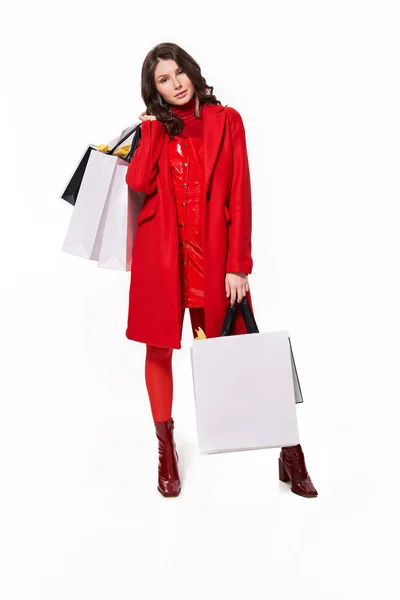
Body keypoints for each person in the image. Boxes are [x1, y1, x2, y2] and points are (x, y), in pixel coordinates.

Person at [125, 42, 318, 499]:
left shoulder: (226, 120)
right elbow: (137, 184)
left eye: (178, 74)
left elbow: (240, 196)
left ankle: (291, 451)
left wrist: (238, 266)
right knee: (158, 352)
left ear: (191, 71)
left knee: (248, 354)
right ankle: (166, 450)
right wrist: (149, 132)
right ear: (153, 91)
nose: (175, 85)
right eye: (163, 81)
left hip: (215, 263)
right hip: (164, 263)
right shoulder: (153, 131)